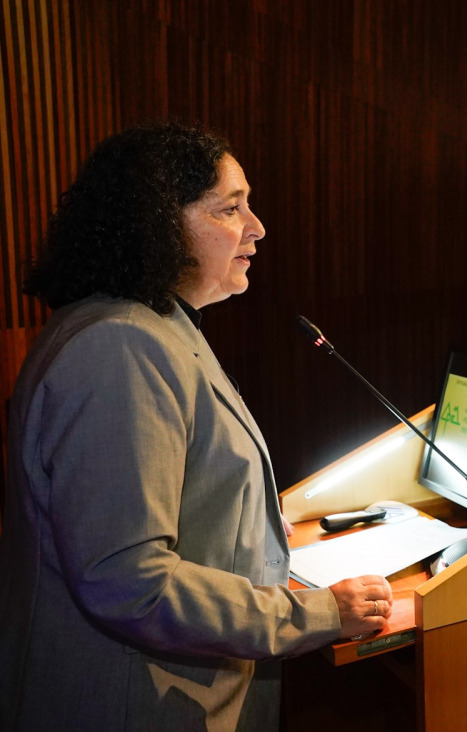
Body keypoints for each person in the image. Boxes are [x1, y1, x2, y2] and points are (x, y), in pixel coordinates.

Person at [0, 124, 392, 731]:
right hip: (127, 703)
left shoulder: (152, 324)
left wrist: (247, 522)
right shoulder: (120, 346)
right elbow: (128, 580)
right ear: (158, 222)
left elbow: (161, 494)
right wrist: (315, 615)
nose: (257, 227)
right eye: (230, 208)